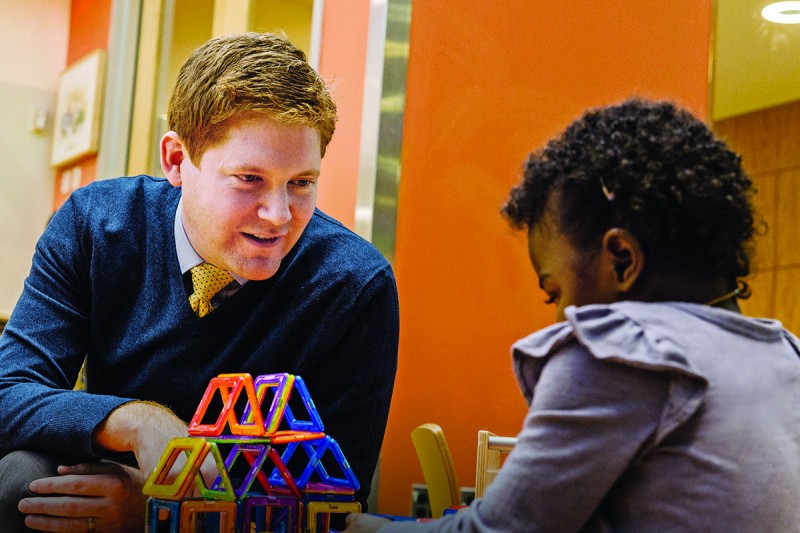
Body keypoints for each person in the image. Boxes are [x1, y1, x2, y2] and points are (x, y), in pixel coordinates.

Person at [0, 32, 399, 532]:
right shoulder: (96, 226)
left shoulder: (354, 284)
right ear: (176, 160)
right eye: (249, 179)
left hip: (244, 518)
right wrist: (136, 420)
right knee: (21, 480)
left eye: (301, 182)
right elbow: (9, 391)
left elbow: (338, 500)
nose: (278, 215)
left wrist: (165, 512)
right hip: (111, 478)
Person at [345, 98, 800, 532]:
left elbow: (499, 530)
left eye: (555, 293)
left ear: (622, 259)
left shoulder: (619, 353)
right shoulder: (786, 356)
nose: (560, 318)